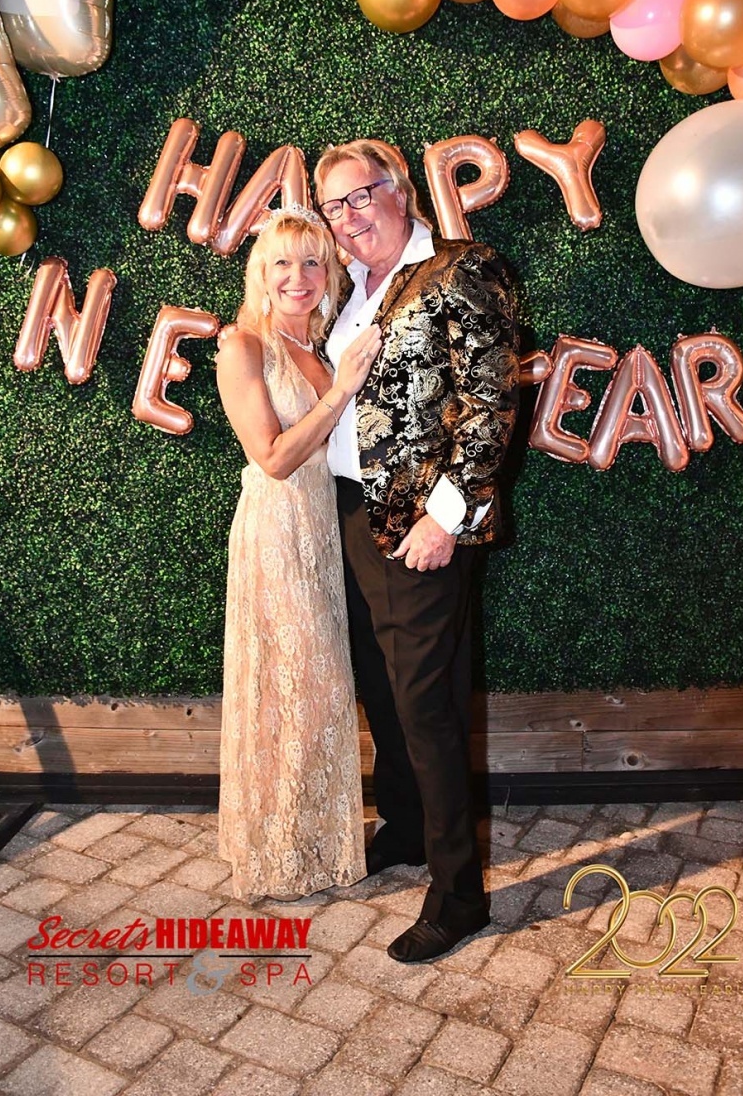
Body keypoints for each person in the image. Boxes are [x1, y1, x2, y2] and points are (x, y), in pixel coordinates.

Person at [314, 141, 520, 960]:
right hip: (347, 515)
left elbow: (491, 400)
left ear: (399, 190)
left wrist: (446, 519)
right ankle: (404, 826)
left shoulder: (461, 268)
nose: (348, 217)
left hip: (418, 527)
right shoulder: (351, 289)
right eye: (334, 206)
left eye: (361, 196)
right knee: (381, 686)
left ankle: (458, 893)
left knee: (427, 707)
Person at [215, 204, 381, 901]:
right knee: (291, 689)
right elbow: (275, 456)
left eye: (313, 261)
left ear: (330, 273)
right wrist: (342, 390)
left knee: (321, 690)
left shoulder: (323, 346)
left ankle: (314, 839)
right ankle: (278, 852)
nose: (298, 276)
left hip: (326, 527)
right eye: (282, 262)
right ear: (261, 273)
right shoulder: (243, 346)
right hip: (277, 530)